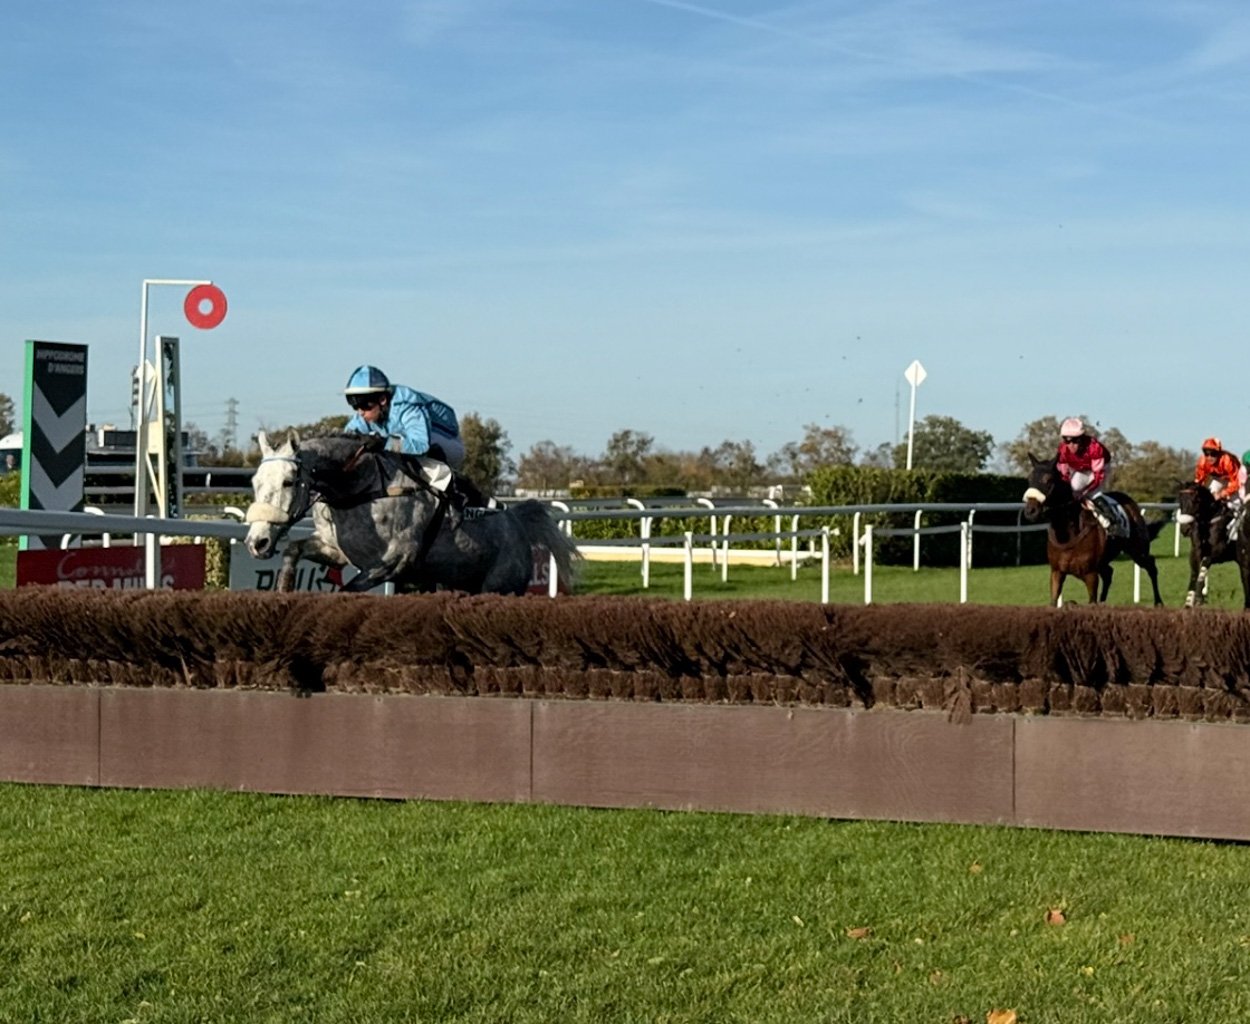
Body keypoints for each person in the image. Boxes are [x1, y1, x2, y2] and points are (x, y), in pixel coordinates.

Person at [342, 365, 485, 520]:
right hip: (422, 442)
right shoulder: (365, 415)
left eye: (364, 405)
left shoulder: (407, 406)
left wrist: (384, 443)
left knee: (394, 443)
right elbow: (346, 439)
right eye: (355, 406)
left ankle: (457, 494)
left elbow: (421, 445)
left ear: (382, 400)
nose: (360, 412)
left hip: (447, 443)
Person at [1055, 417, 1127, 538]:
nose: (1071, 445)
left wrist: (1084, 492)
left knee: (1094, 495)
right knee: (1073, 488)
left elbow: (1098, 477)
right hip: (1082, 469)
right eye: (1067, 441)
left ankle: (1113, 523)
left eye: (1075, 440)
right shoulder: (1063, 450)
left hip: (1101, 469)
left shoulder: (1094, 447)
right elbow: (1064, 475)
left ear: (1081, 438)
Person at [1194, 437, 1243, 540]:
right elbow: (1199, 481)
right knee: (1209, 496)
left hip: (1234, 480)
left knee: (1235, 503)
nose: (1209, 457)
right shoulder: (1202, 461)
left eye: (1213, 454)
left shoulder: (1227, 460)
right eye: (1206, 454)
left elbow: (1237, 482)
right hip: (1218, 479)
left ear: (1219, 453)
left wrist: (1222, 494)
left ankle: (1236, 530)